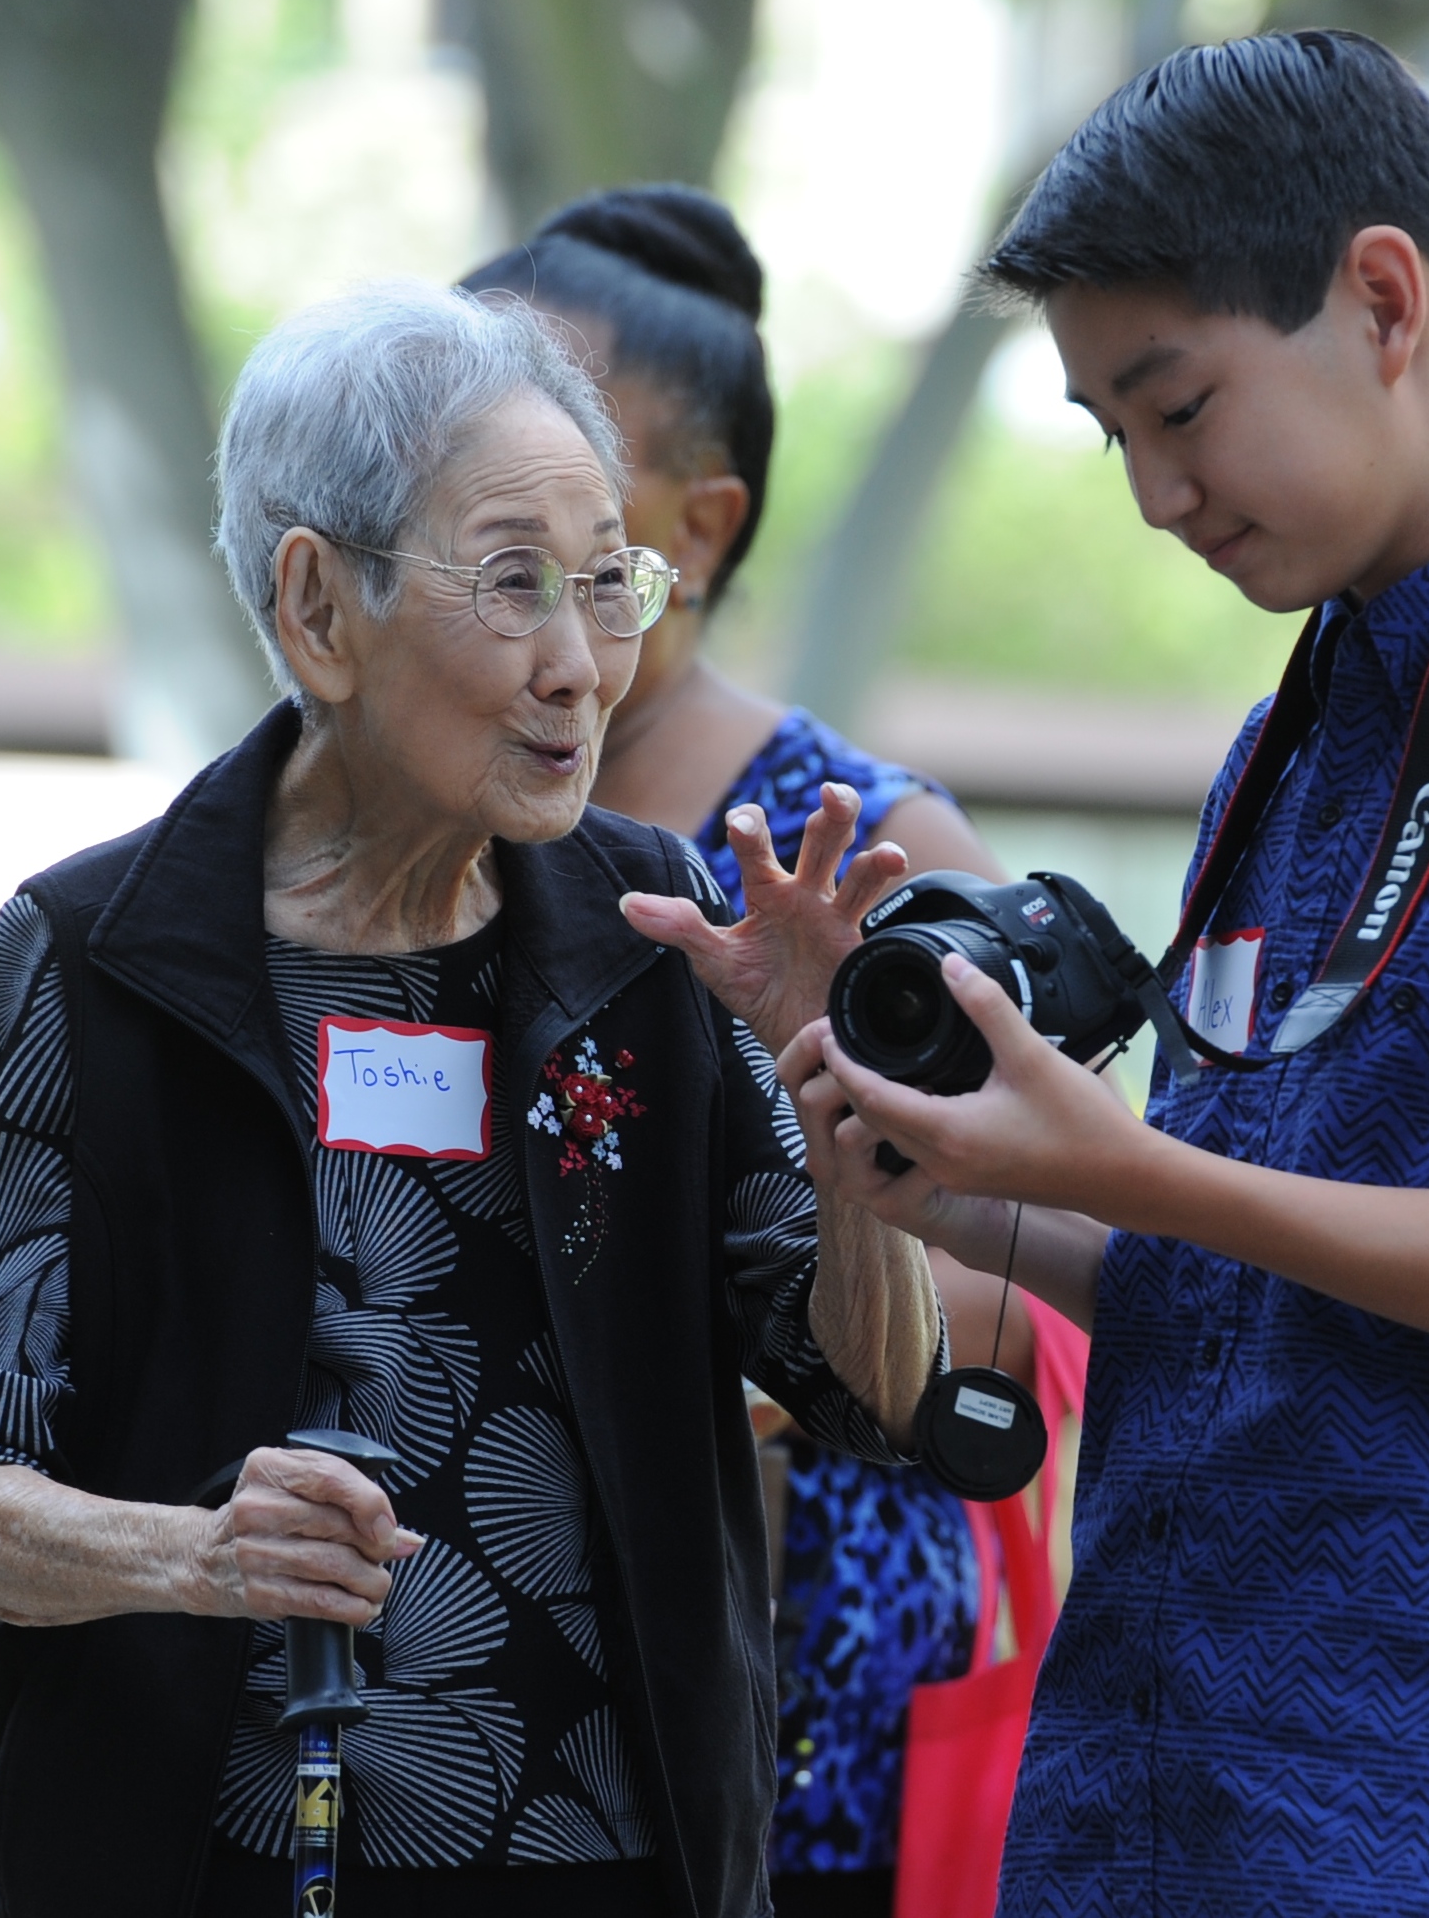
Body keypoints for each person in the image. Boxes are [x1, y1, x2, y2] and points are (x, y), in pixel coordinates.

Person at [647, 32, 1429, 1916]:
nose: (1149, 493)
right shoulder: (1302, 740)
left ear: (1382, 300)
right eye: (1110, 435)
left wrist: (1118, 1168)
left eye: (1177, 406)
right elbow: (1239, 1304)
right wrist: (955, 1188)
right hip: (1169, 1806)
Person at [0, 280, 946, 1918]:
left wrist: (845, 1130)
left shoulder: (654, 943)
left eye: (609, 584)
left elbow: (872, 1396)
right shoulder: (90, 961)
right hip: (194, 1862)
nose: (584, 664)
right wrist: (193, 1556)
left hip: (617, 1862)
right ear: (319, 605)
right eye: (515, 582)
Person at [462, 187, 1047, 1918]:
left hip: (796, 1709)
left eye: (557, 438)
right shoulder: (392, 820)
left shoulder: (861, 839)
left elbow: (1039, 1277)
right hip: (451, 1693)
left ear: (695, 531)